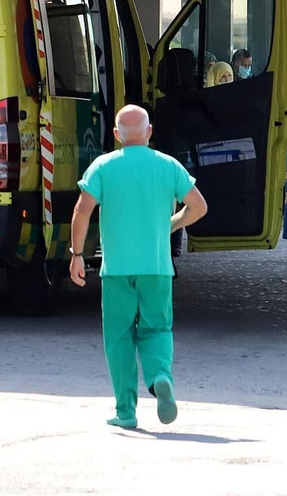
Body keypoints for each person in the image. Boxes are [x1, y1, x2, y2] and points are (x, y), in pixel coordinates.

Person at [70, 106, 208, 430]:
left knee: (118, 338)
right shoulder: (168, 166)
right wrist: (171, 225)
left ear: (116, 135)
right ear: (149, 132)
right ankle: (160, 375)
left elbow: (82, 211)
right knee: (157, 328)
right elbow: (199, 207)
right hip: (157, 269)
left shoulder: (103, 166)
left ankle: (126, 412)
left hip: (116, 269)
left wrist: (77, 254)